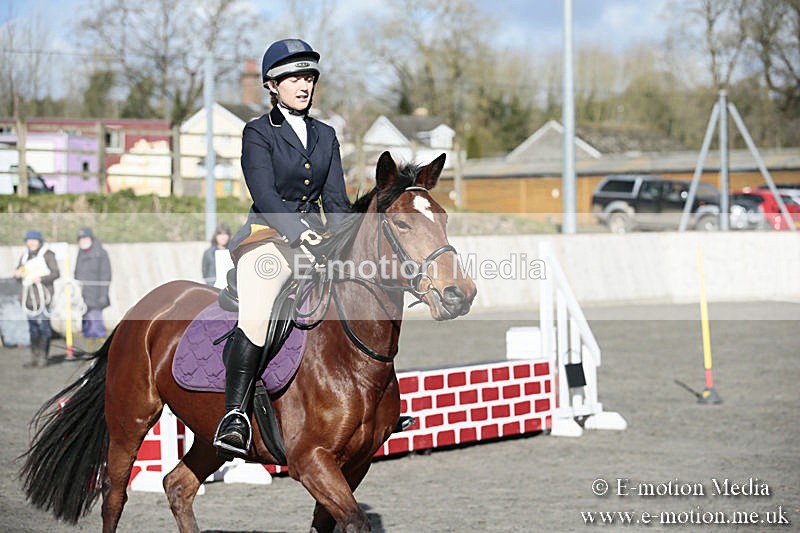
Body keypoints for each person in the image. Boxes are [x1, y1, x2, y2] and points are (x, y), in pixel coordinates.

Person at [213, 38, 351, 456]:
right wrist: (298, 232)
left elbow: (337, 201)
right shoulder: (258, 132)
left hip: (316, 243)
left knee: (361, 297)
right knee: (257, 313)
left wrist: (344, 243)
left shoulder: (326, 135)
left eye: (309, 78)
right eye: (293, 78)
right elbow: (265, 193)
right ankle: (234, 416)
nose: (304, 85)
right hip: (268, 238)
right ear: (272, 85)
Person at [14, 229, 60, 367]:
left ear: (39, 241)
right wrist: (17, 274)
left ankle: (44, 358)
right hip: (29, 299)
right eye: (29, 240)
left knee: (44, 327)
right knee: (33, 329)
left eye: (34, 240)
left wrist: (42, 279)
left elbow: (56, 273)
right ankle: (35, 357)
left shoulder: (48, 254)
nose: (31, 243)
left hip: (43, 297)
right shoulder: (24, 256)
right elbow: (20, 274)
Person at [74, 227, 112, 346]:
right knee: (86, 326)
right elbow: (76, 272)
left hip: (96, 296)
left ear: (91, 239)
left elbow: (106, 275)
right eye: (81, 239)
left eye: (85, 238)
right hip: (82, 296)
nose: (83, 241)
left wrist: (103, 295)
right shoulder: (80, 253)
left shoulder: (101, 253)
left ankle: (99, 347)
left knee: (96, 325)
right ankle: (88, 348)